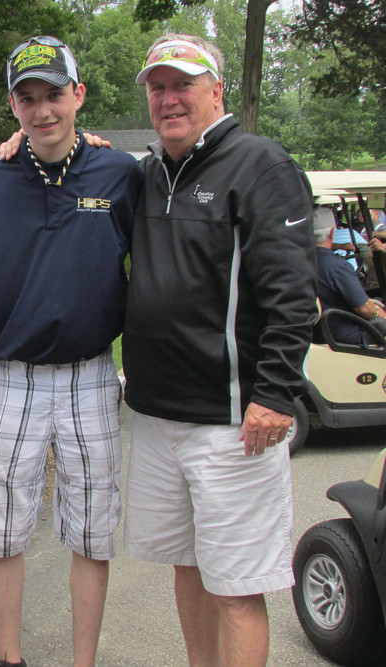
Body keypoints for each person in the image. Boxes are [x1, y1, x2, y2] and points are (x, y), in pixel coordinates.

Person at [122, 34, 317, 666]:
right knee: (188, 568)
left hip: (235, 424)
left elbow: (293, 295)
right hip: (157, 417)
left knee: (236, 588)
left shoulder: (261, 165)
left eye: (183, 84)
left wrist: (275, 393)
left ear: (216, 90)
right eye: (158, 87)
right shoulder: (149, 172)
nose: (169, 98)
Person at [0, 36, 142, 667]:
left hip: (92, 376)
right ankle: (10, 658)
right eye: (28, 98)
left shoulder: (120, 173)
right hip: (13, 377)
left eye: (54, 95)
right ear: (13, 105)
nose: (43, 111)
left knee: (91, 532)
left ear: (78, 96)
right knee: (3, 527)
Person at [314, 206, 386, 345]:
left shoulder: (299, 261)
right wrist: (379, 313)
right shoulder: (337, 267)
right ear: (332, 233)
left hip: (316, 331)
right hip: (345, 334)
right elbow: (366, 310)